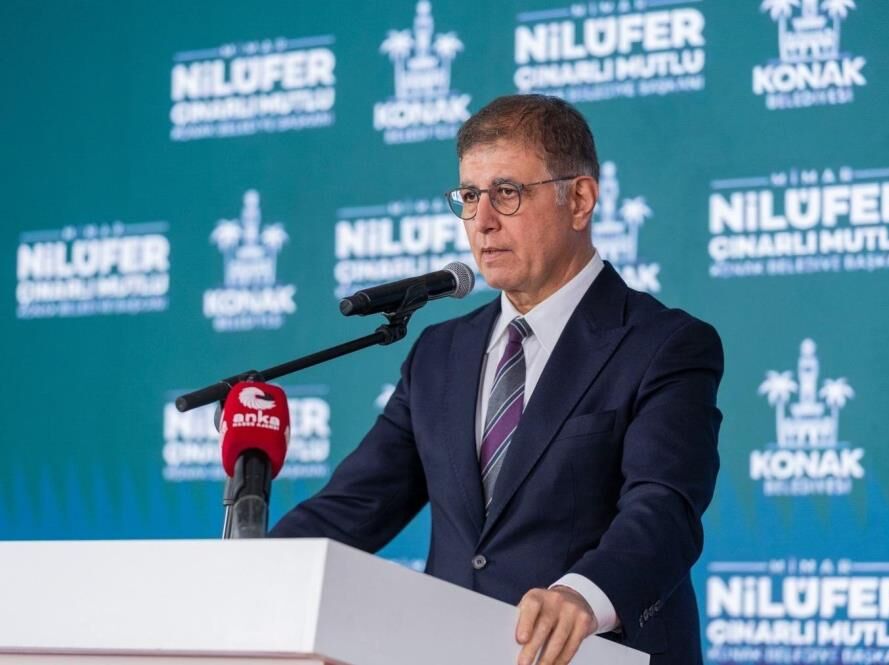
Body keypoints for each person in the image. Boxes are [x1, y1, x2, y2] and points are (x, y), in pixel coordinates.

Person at [271, 94, 723, 665]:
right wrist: (250, 572)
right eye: (469, 196)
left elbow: (664, 507)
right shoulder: (440, 353)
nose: (482, 221)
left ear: (579, 199)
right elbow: (354, 505)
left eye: (507, 193)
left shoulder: (663, 344)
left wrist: (581, 596)